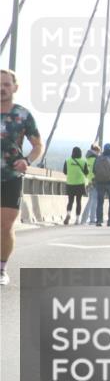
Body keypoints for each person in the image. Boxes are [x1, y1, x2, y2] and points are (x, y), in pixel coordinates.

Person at [1, 69, 44, 285]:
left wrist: (27, 161)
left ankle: (1, 268)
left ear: (15, 87)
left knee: (6, 225)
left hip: (11, 176)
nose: (2, 88)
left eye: (6, 84)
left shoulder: (23, 115)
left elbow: (38, 145)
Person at [62, 146, 89, 225]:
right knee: (78, 201)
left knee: (70, 201)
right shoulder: (83, 161)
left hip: (70, 183)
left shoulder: (67, 160)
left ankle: (68, 214)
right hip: (80, 184)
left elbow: (65, 171)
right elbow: (86, 172)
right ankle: (77, 219)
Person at [80, 143, 101, 225]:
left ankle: (84, 219)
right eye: (99, 152)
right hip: (95, 181)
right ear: (96, 151)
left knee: (91, 200)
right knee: (93, 201)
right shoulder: (96, 159)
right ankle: (91, 219)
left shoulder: (86, 159)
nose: (99, 153)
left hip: (88, 182)